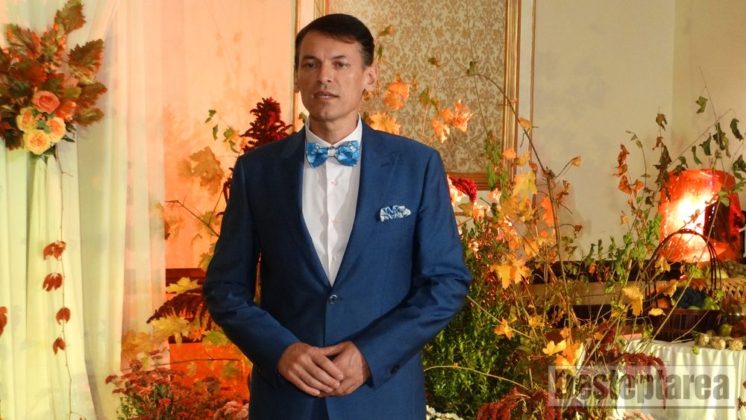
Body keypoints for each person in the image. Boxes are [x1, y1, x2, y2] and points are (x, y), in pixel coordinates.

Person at [203, 13, 470, 420]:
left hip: (383, 399)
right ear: (297, 77)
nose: (323, 76)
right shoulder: (256, 172)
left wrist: (370, 355)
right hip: (287, 400)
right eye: (310, 64)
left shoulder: (416, 166)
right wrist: (280, 351)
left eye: (340, 64)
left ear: (369, 77)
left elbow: (446, 282)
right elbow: (225, 288)